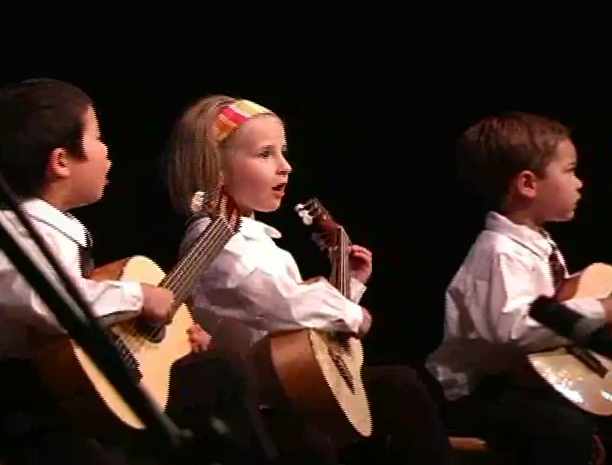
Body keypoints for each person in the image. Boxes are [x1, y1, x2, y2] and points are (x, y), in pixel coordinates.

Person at [165, 95, 452, 465]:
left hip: (289, 389)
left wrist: (351, 287)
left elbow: (299, 333)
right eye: (265, 154)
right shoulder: (214, 238)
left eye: (283, 152)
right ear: (217, 169)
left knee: (399, 386)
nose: (285, 167)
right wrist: (353, 314)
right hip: (260, 407)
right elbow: (278, 302)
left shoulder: (254, 236)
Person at [0, 79, 261, 465]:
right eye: (98, 137)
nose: (108, 153)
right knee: (224, 376)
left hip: (73, 397)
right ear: (60, 161)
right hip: (32, 408)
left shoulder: (55, 229)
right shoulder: (16, 229)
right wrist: (139, 296)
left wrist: (173, 345)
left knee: (217, 372)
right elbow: (50, 302)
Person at [427, 111, 612, 464]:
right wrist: (601, 309)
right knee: (562, 429)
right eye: (570, 170)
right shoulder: (498, 252)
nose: (580, 183)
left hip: (521, 382)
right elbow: (511, 332)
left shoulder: (538, 243)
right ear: (528, 184)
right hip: (474, 394)